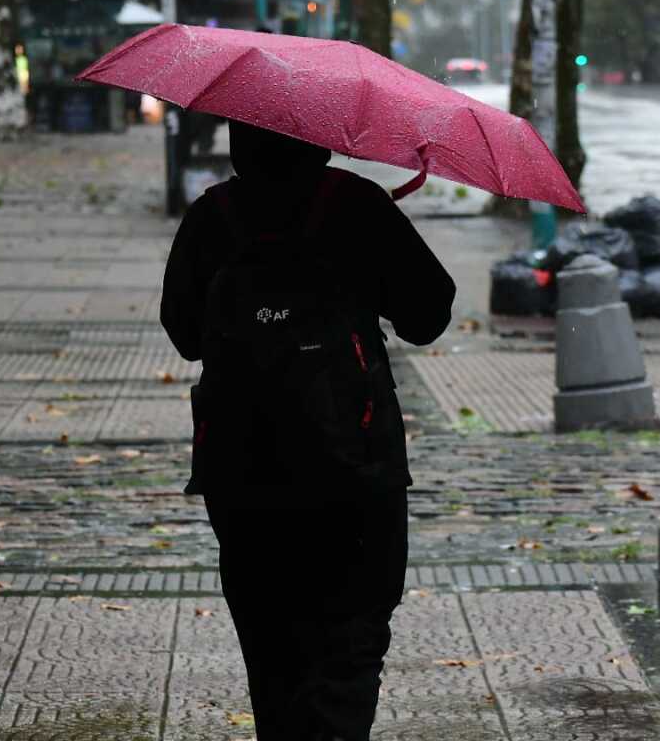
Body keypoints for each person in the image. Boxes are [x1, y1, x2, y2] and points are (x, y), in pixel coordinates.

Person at [161, 122, 455, 741]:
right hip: (355, 467)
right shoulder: (355, 204)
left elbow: (184, 333)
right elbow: (428, 315)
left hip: (241, 468)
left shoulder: (213, 215)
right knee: (353, 635)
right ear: (318, 134)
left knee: (271, 648)